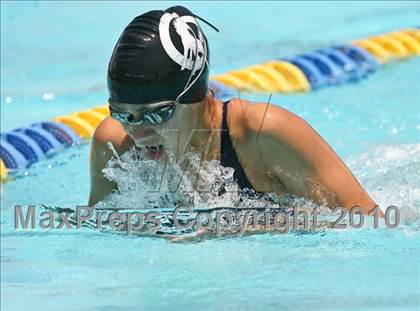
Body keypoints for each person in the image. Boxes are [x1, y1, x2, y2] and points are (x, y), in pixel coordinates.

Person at [88, 5, 378, 215]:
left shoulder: (262, 134)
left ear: (195, 96)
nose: (137, 134)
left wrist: (253, 227)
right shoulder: (115, 145)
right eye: (123, 114)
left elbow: (367, 220)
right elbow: (101, 232)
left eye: (156, 114)